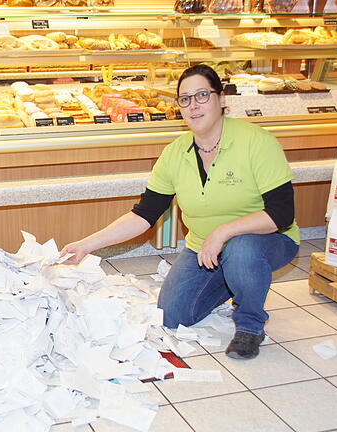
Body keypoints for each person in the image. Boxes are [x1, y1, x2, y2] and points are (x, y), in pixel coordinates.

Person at [60, 64, 299, 359]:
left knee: (241, 250)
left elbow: (282, 214)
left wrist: (223, 232)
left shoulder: (257, 143)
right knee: (172, 316)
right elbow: (143, 215)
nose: (193, 106)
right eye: (185, 99)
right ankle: (234, 278)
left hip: (267, 241)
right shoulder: (175, 153)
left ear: (221, 99)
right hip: (204, 249)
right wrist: (86, 245)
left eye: (202, 95)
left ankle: (250, 324)